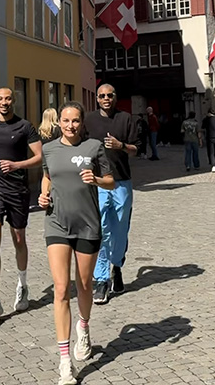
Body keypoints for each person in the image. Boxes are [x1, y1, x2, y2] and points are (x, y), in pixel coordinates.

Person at [38, 101, 115, 384]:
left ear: (82, 123)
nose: (70, 126)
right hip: (56, 222)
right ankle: (64, 362)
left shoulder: (94, 147)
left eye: (75, 121)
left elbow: (111, 181)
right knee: (61, 289)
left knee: (83, 285)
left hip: (88, 225)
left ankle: (83, 326)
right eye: (66, 120)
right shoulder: (48, 149)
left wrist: (96, 179)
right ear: (58, 122)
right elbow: (47, 178)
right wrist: (43, 195)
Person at [0, 88, 43, 325]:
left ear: (14, 101)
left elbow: (39, 156)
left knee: (19, 240)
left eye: (8, 98)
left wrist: (17, 165)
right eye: (0, 99)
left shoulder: (25, 127)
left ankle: (22, 285)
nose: (4, 102)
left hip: (17, 191)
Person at [84, 83, 138, 305]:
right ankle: (102, 279)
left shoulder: (126, 119)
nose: (106, 98)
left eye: (109, 95)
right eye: (102, 96)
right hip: (98, 183)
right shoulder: (89, 120)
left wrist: (120, 145)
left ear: (115, 97)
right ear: (97, 99)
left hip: (121, 181)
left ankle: (117, 266)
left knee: (120, 229)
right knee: (102, 229)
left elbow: (136, 149)